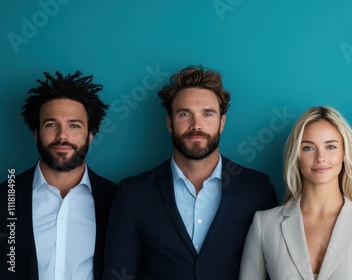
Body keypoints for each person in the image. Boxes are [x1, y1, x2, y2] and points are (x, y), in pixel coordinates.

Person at [102, 65, 278, 280]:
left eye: (207, 114)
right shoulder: (133, 193)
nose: (196, 125)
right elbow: (118, 274)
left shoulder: (257, 189)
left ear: (221, 122)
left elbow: (271, 271)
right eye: (185, 114)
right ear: (169, 122)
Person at [239, 106, 352, 280]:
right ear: (296, 155)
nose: (320, 157)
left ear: (344, 153)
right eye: (308, 148)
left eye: (331, 146)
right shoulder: (264, 225)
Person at [0, 71, 117, 280]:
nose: (62, 135)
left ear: (90, 134)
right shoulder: (4, 196)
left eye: (74, 125)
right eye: (51, 125)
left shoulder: (118, 200)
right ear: (36, 132)